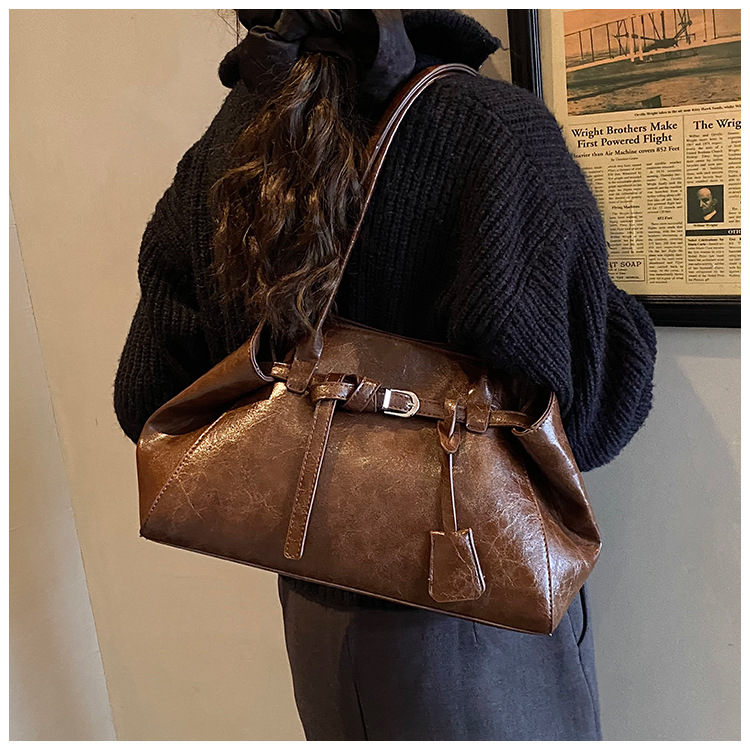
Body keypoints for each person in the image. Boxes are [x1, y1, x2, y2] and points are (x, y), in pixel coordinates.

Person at [113, 9, 657, 741]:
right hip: (475, 601)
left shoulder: (233, 136)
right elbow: (594, 416)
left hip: (314, 597)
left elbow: (148, 396)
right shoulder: (495, 132)